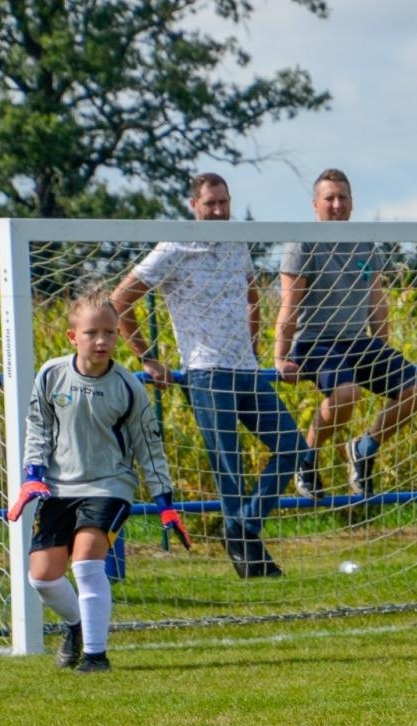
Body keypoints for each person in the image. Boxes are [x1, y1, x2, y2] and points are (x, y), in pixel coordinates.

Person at [112, 172, 307, 578]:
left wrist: (253, 342)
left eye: (224, 203)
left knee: (293, 446)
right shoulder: (173, 247)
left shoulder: (236, 242)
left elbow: (252, 293)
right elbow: (119, 300)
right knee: (229, 467)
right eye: (210, 204)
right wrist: (149, 358)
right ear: (193, 206)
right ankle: (250, 560)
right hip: (206, 371)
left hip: (247, 370)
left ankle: (242, 529)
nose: (218, 211)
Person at [7, 294, 191, 672]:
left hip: (111, 487)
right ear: (73, 336)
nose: (102, 340)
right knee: (42, 578)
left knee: (87, 562)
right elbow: (38, 428)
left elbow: (149, 446)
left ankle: (95, 656)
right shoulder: (51, 374)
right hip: (58, 489)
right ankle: (77, 625)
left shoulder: (128, 386)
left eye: (110, 331)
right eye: (92, 332)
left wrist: (165, 502)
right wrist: (32, 476)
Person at [274, 168, 417, 500]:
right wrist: (280, 357)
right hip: (315, 341)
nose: (336, 204)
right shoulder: (302, 243)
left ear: (352, 203)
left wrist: (383, 352)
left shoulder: (364, 242)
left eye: (342, 197)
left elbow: (377, 302)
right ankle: (307, 457)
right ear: (315, 204)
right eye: (329, 198)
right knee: (347, 394)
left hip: (359, 342)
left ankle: (364, 447)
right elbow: (288, 307)